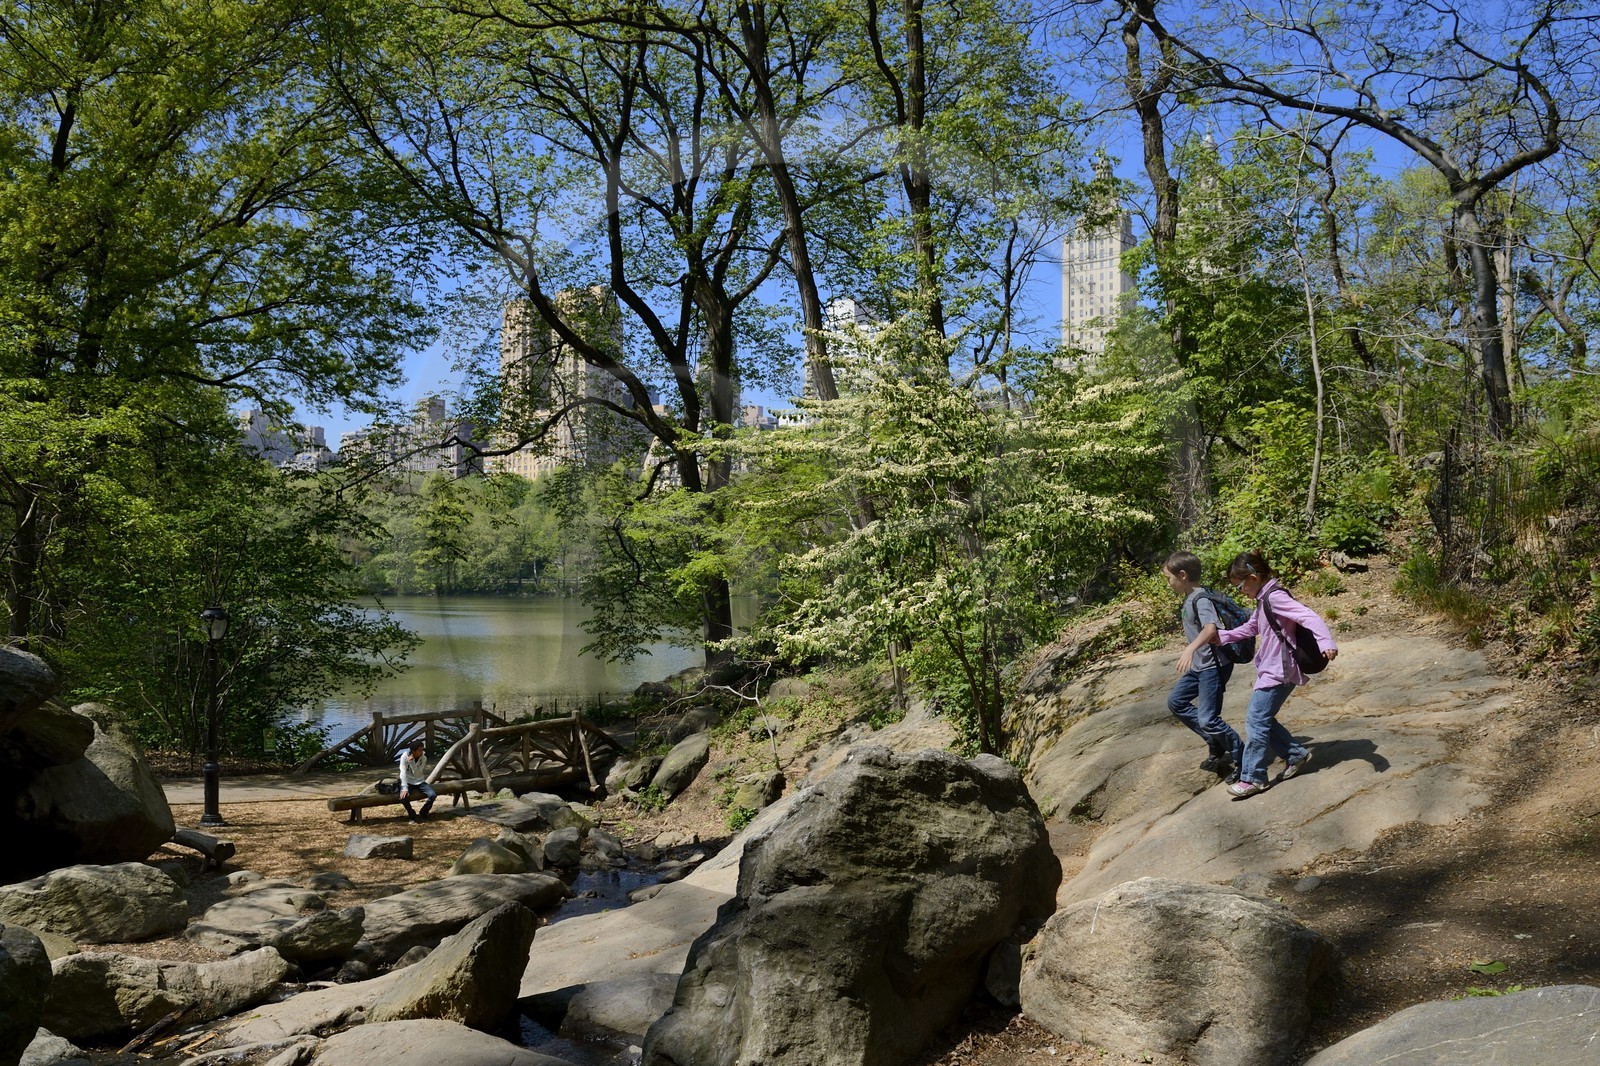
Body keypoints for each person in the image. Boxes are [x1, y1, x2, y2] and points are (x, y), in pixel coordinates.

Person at [1177, 549, 1339, 800]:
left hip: (1280, 671)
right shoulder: (1264, 600)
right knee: (1262, 718)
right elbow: (1253, 626)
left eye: (1240, 586)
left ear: (1253, 578)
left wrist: (1326, 642)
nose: (1240, 591)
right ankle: (1295, 754)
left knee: (1255, 720)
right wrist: (1225, 637)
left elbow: (1308, 616)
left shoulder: (1275, 598)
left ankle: (1254, 778)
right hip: (1271, 669)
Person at [1163, 551, 1244, 782]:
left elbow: (1210, 629)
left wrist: (1190, 649)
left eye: (1169, 579)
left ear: (1183, 575)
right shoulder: (1190, 597)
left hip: (1213, 667)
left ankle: (1242, 756)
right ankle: (1215, 742)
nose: (1168, 584)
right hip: (1200, 667)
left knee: (1209, 718)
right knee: (1176, 702)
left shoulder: (1201, 599)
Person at [398, 740, 436, 821]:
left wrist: (412, 763)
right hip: (408, 781)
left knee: (432, 795)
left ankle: (423, 813)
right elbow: (402, 772)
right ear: (413, 751)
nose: (422, 752)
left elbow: (418, 773)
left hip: (420, 781)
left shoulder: (424, 758)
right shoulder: (404, 757)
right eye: (420, 750)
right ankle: (412, 815)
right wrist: (404, 788)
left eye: (422, 750)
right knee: (403, 798)